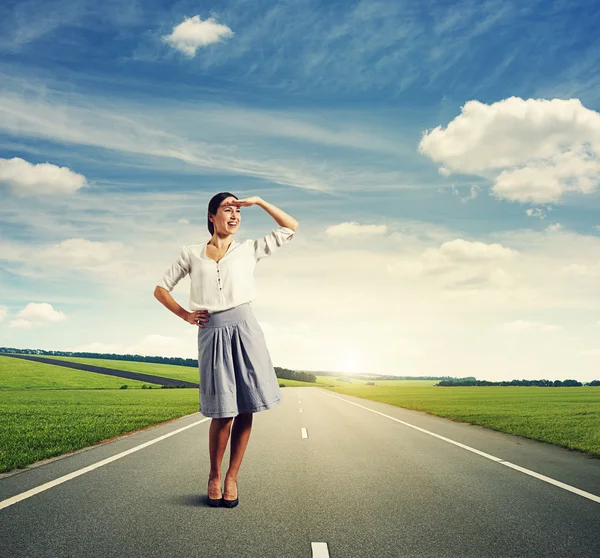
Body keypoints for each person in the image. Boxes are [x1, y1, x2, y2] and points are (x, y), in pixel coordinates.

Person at [153, 192, 298, 508]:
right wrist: (186, 315)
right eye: (227, 209)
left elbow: (291, 226)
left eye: (238, 210)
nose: (234, 215)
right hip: (212, 333)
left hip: (246, 328)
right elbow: (161, 289)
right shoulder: (191, 254)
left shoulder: (249, 249)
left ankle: (233, 476)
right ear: (211, 215)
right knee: (223, 411)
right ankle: (214, 475)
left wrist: (258, 202)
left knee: (246, 405)